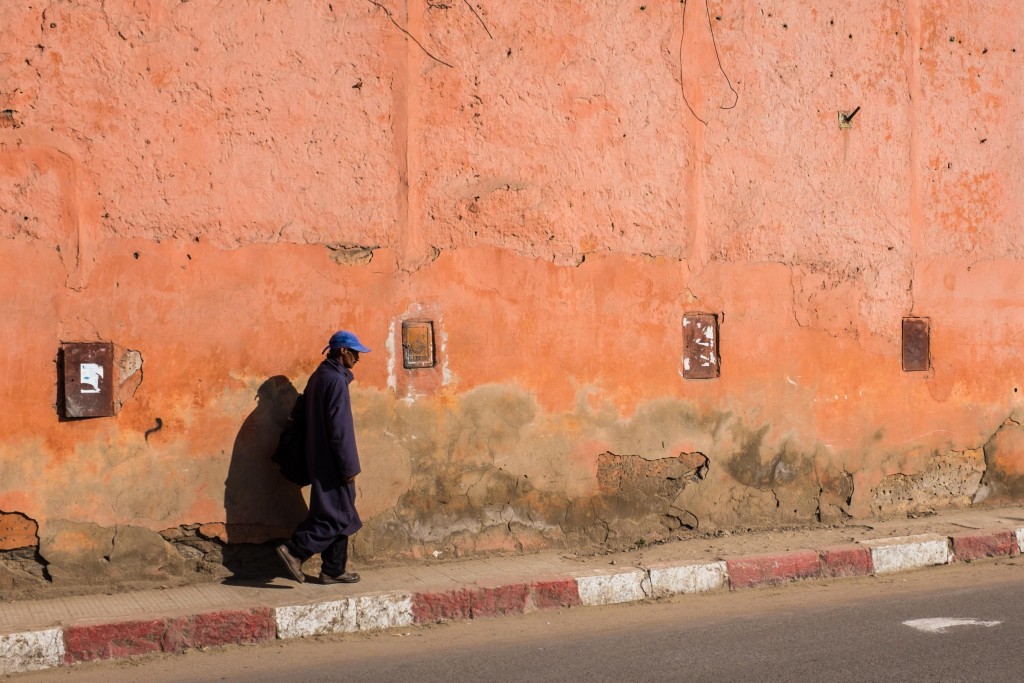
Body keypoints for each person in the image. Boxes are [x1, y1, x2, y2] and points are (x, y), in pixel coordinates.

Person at [276, 330, 370, 584]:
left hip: (318, 455)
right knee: (334, 515)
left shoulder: (319, 376)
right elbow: (340, 429)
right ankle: (295, 550)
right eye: (355, 353)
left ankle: (333, 568)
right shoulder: (336, 382)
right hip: (333, 459)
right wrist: (349, 465)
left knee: (343, 512)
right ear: (342, 351)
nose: (358, 359)